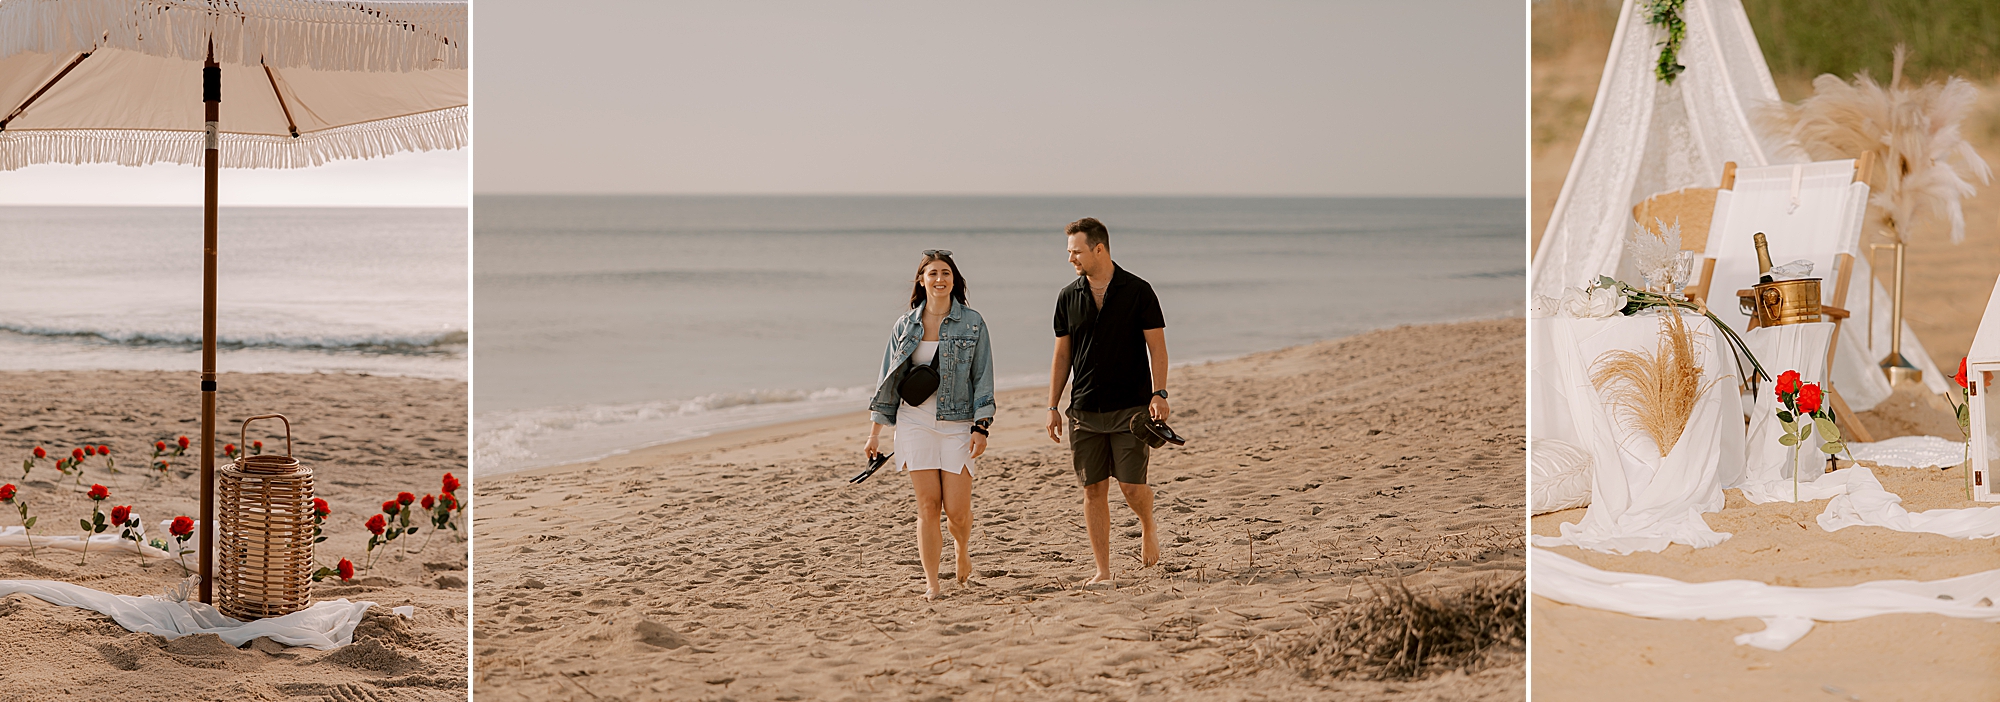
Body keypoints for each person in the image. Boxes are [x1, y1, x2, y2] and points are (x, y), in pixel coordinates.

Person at [865, 250, 996, 599]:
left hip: (958, 422)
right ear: (922, 280)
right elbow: (887, 378)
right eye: (932, 273)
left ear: (955, 280)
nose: (939, 279)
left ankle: (962, 549)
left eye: (946, 274)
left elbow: (983, 377)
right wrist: (875, 431)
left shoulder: (973, 322)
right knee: (927, 505)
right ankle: (933, 583)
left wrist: (982, 426)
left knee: (956, 510)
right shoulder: (905, 325)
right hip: (914, 421)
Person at [1045, 217, 1168, 587]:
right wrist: (1052, 406)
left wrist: (1159, 393)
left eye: (1077, 251)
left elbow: (1157, 349)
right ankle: (1102, 570)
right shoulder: (1068, 296)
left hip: (1131, 409)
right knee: (1093, 489)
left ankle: (1147, 523)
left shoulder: (1138, 290)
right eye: (1069, 252)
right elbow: (1061, 355)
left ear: (1099, 248)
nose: (1071, 259)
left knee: (1131, 487)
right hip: (1083, 409)